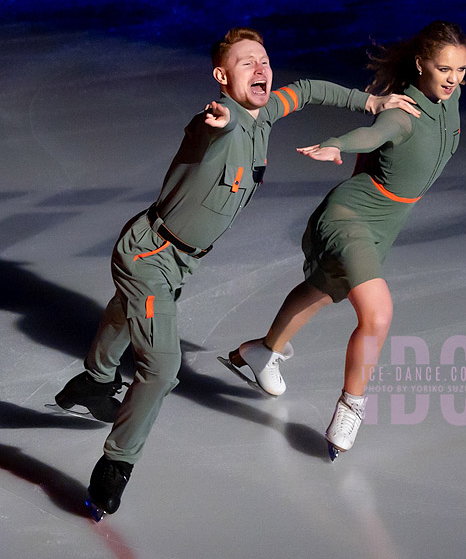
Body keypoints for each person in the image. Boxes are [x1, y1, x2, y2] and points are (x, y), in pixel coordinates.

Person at [53, 27, 419, 519]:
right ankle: (115, 467)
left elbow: (308, 90)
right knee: (160, 368)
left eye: (264, 60)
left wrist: (370, 103)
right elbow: (212, 127)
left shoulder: (264, 112)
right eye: (246, 63)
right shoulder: (216, 121)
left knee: (131, 310)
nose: (261, 68)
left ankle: (94, 380)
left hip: (178, 258)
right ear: (222, 77)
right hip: (150, 255)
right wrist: (218, 118)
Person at [227, 21, 466, 461]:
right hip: (351, 216)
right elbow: (373, 134)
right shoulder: (404, 112)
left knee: (322, 290)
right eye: (444, 69)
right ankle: (351, 407)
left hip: (386, 223)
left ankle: (263, 352)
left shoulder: (448, 101)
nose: (453, 79)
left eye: (461, 70)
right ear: (421, 65)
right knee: (377, 314)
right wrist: (337, 143)